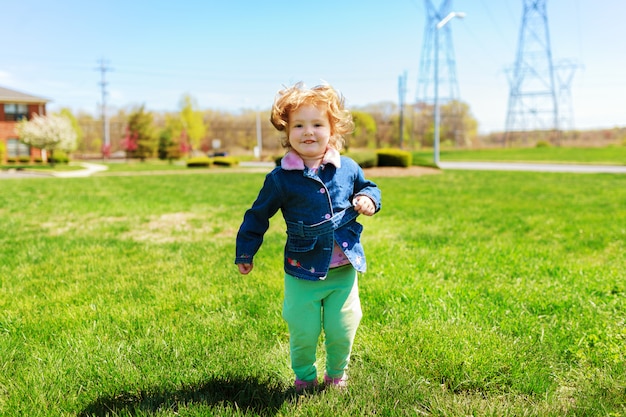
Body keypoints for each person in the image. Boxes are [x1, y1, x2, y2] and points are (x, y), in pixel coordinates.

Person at [235, 82, 381, 392]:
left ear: (333, 129)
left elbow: (370, 187)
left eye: (317, 124)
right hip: (302, 270)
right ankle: (304, 376)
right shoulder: (281, 178)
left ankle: (336, 374)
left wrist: (369, 199)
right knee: (304, 330)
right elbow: (257, 215)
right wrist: (246, 252)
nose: (308, 132)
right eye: (298, 125)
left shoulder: (348, 168)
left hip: (343, 271)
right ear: (286, 132)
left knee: (343, 327)